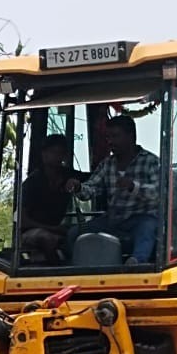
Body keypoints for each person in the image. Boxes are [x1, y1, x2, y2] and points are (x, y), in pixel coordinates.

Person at [69, 111, 160, 265]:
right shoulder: (107, 164)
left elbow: (159, 193)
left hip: (141, 217)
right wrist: (78, 187)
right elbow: (91, 188)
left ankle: (136, 262)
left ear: (130, 136)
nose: (110, 141)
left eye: (115, 136)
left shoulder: (150, 161)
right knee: (74, 233)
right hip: (113, 219)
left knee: (148, 228)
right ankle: (74, 268)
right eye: (108, 137)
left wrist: (133, 186)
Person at [19, 134, 75, 263]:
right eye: (53, 152)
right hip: (30, 232)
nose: (57, 156)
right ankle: (57, 271)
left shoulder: (68, 175)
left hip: (57, 229)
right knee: (47, 238)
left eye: (60, 152)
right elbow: (23, 221)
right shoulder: (32, 183)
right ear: (44, 154)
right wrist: (54, 229)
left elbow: (94, 180)